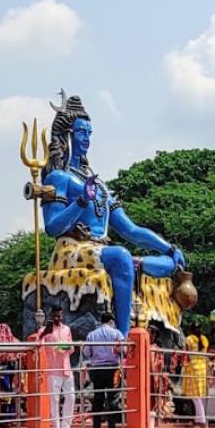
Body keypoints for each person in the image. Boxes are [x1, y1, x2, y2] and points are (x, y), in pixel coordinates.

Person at [40, 93, 187, 335]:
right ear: (68, 135)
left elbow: (131, 230)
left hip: (99, 250)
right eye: (80, 132)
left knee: (163, 263)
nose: (86, 138)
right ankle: (122, 335)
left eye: (89, 132)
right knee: (120, 256)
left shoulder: (101, 187)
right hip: (71, 250)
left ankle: (140, 281)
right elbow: (52, 227)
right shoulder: (59, 178)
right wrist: (80, 201)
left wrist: (168, 248)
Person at [82, 313, 125, 428]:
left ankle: (96, 426)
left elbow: (86, 352)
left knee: (98, 397)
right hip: (113, 369)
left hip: (97, 369)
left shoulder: (92, 334)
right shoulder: (116, 333)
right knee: (113, 398)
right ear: (111, 321)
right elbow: (123, 349)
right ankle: (112, 426)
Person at [40, 306, 75, 428]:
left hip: (66, 368)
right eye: (55, 316)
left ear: (62, 316)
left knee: (71, 396)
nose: (57, 318)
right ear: (51, 316)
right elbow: (39, 344)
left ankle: (66, 426)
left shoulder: (67, 329)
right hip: (53, 369)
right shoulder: (45, 330)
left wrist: (65, 347)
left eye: (59, 316)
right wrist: (45, 334)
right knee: (54, 399)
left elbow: (71, 348)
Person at [0, 323, 21, 425]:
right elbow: (21, 352)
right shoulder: (14, 340)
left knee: (3, 392)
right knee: (11, 391)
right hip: (13, 368)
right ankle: (10, 417)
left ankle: (4, 418)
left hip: (2, 368)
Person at [182, 323, 208, 427]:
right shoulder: (204, 339)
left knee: (195, 396)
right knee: (198, 395)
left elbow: (186, 354)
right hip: (202, 367)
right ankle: (198, 419)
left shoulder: (189, 339)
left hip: (192, 368)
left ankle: (201, 420)